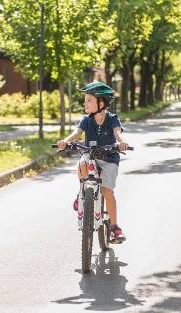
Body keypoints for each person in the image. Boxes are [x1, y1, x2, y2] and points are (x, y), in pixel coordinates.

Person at [57, 81, 129, 243]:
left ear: (101, 103)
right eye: (85, 100)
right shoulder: (86, 120)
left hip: (109, 157)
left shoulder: (112, 119)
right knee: (82, 162)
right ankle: (82, 191)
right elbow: (77, 132)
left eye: (89, 100)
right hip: (91, 155)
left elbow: (118, 134)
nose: (85, 103)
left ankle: (114, 227)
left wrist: (122, 143)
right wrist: (65, 141)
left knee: (107, 190)